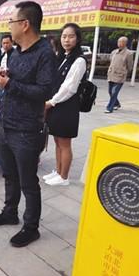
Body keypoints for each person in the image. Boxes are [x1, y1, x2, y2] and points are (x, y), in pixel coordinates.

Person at [0, 1, 56, 247]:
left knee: (28, 181)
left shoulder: (45, 53)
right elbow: (14, 84)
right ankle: (10, 212)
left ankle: (31, 227)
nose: (10, 26)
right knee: (9, 174)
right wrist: (5, 79)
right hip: (7, 124)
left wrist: (10, 85)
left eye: (12, 22)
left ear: (25, 25)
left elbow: (44, 91)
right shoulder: (15, 52)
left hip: (27, 130)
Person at [44, 23, 87, 186]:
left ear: (77, 39)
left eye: (71, 36)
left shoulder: (79, 60)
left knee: (64, 143)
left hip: (66, 107)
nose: (66, 40)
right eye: (64, 36)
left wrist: (51, 102)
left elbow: (69, 87)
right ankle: (58, 170)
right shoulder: (63, 57)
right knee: (57, 140)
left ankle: (64, 177)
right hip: (56, 105)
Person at [105, 36, 133, 113]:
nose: (120, 44)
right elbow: (111, 62)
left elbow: (130, 65)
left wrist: (124, 71)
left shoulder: (129, 53)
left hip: (120, 76)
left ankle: (109, 108)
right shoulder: (114, 52)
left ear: (125, 43)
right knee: (110, 91)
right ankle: (116, 104)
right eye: (119, 42)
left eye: (122, 42)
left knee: (114, 92)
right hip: (111, 74)